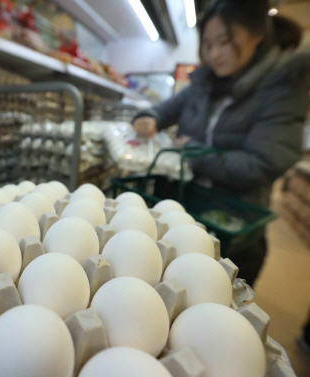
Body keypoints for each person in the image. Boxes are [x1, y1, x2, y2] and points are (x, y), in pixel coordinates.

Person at [133, 0, 310, 286]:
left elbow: (263, 164)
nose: (214, 54)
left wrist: (195, 153)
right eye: (208, 44)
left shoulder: (282, 89)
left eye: (225, 42)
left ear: (257, 35)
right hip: (184, 210)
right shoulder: (204, 83)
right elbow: (166, 109)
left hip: (232, 226)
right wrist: (149, 117)